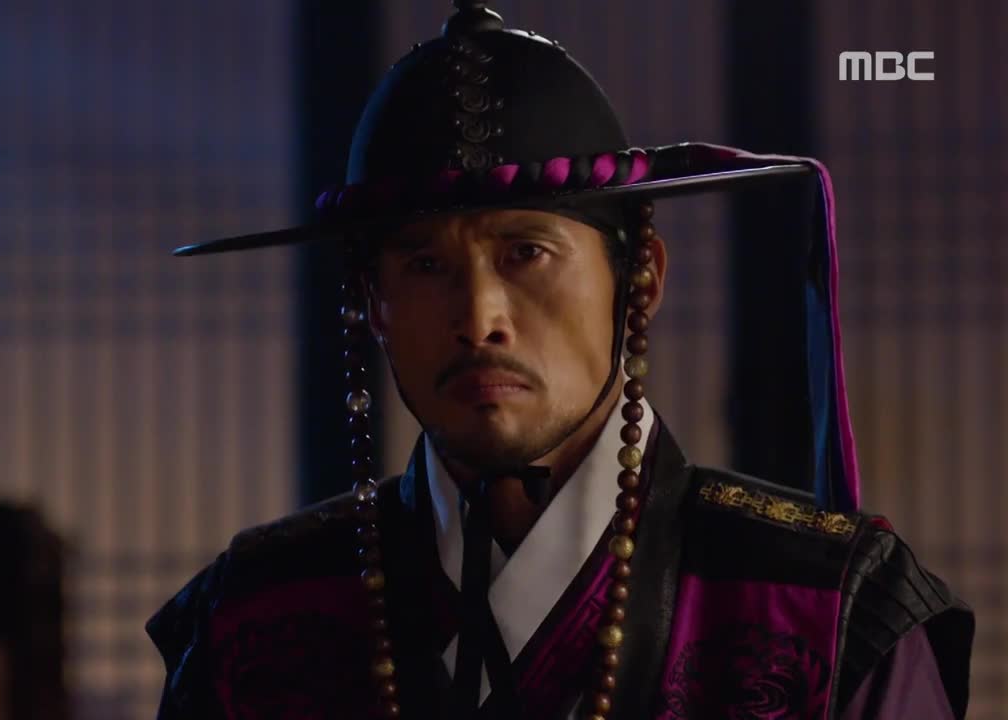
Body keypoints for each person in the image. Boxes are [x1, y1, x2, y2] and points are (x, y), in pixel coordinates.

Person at [147, 2, 974, 718]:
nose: (480, 319)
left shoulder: (821, 605)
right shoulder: (252, 617)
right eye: (425, 264)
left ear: (641, 278)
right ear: (373, 303)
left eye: (527, 253)